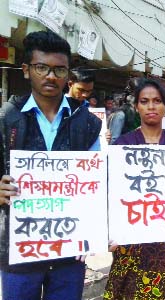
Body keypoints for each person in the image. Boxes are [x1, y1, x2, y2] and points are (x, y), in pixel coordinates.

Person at [0, 30, 101, 300]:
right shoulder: (6, 119)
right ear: (26, 70)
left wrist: (93, 230)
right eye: (41, 67)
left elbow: (97, 184)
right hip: (19, 249)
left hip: (70, 250)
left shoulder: (88, 124)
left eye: (59, 69)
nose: (51, 76)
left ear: (68, 74)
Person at [103, 78, 165, 300]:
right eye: (144, 101)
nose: (151, 106)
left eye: (157, 101)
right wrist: (111, 233)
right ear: (136, 106)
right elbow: (112, 194)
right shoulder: (122, 146)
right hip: (132, 241)